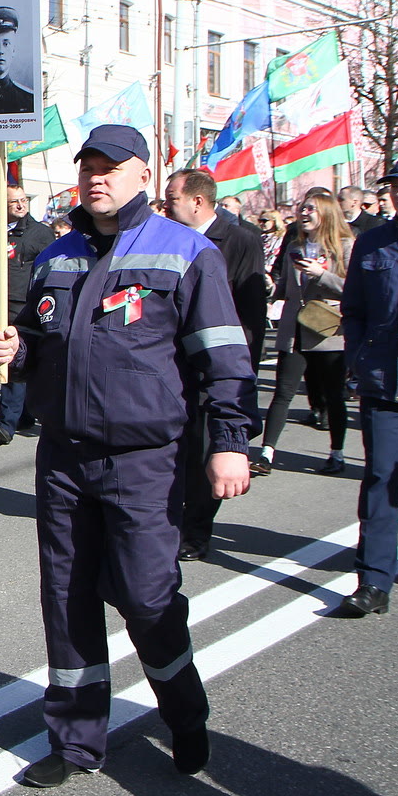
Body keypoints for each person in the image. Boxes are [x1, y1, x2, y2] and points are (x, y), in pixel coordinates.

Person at [0, 124, 257, 787]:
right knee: (67, 599)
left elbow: (224, 358)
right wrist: (13, 352)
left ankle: (184, 713)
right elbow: (41, 342)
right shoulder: (59, 253)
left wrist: (228, 443)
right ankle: (76, 741)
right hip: (65, 457)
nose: (97, 178)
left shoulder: (186, 251)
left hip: (145, 460)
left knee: (146, 597)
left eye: (112, 167)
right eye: (88, 167)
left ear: (145, 174)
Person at [163, 170, 269, 562]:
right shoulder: (168, 239)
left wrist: (241, 373)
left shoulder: (240, 241)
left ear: (197, 201)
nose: (165, 206)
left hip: (216, 362)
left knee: (208, 450)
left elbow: (251, 312)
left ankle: (197, 531)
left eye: (172, 198)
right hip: (176, 363)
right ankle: (172, 521)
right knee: (178, 449)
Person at [338, 154, 398, 617]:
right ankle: (373, 582)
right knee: (380, 482)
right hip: (384, 381)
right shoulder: (373, 243)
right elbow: (353, 310)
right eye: (396, 185)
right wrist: (358, 359)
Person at [251, 190, 354, 480]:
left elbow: (352, 288)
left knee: (333, 395)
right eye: (302, 208)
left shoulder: (345, 246)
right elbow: (286, 287)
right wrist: (272, 289)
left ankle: (337, 453)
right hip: (293, 331)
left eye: (311, 209)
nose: (304, 213)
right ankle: (266, 454)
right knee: (282, 393)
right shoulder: (295, 244)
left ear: (326, 213)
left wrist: (321, 275)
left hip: (327, 331)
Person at [0, 187, 54, 444]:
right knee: (20, 367)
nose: (20, 206)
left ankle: (6, 423)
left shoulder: (40, 234)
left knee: (10, 363)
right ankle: (25, 415)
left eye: (24, 200)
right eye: (14, 202)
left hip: (22, 309)